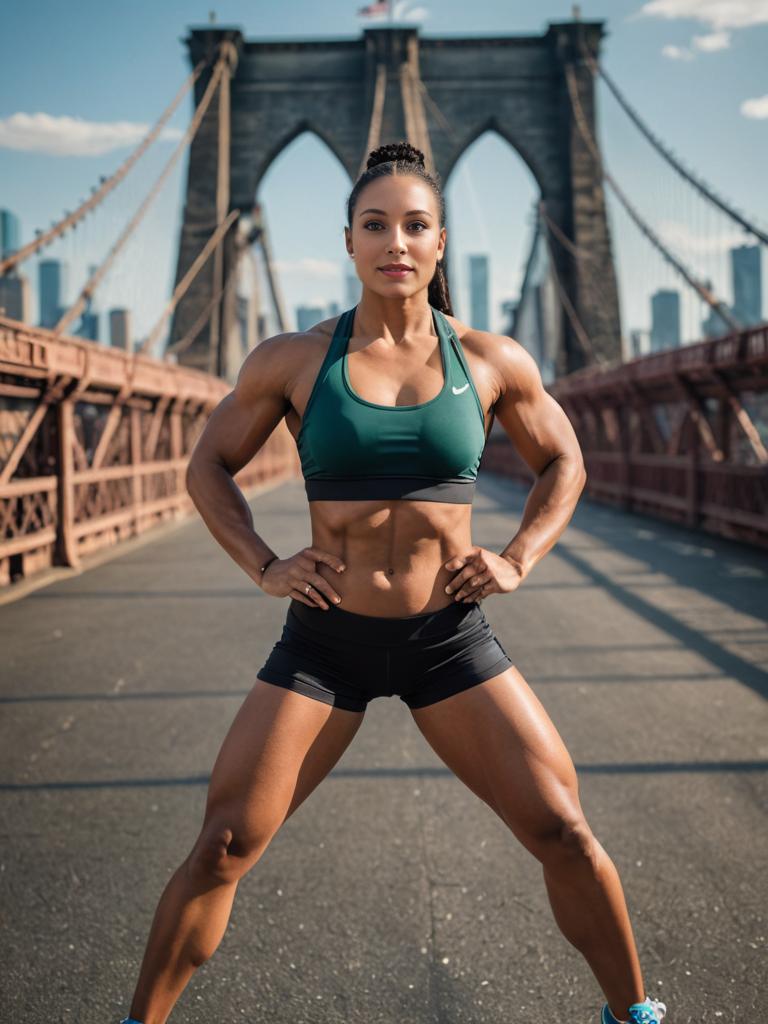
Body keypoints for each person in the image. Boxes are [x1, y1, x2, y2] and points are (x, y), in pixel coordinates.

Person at [118, 141, 667, 1024]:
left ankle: (635, 1016)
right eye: (376, 225)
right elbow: (209, 466)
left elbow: (563, 459)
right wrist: (265, 565)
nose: (396, 243)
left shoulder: (490, 359)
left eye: (415, 225)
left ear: (440, 242)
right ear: (348, 241)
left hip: (447, 640)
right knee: (223, 843)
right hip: (326, 641)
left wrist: (518, 558)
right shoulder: (292, 360)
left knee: (563, 830)